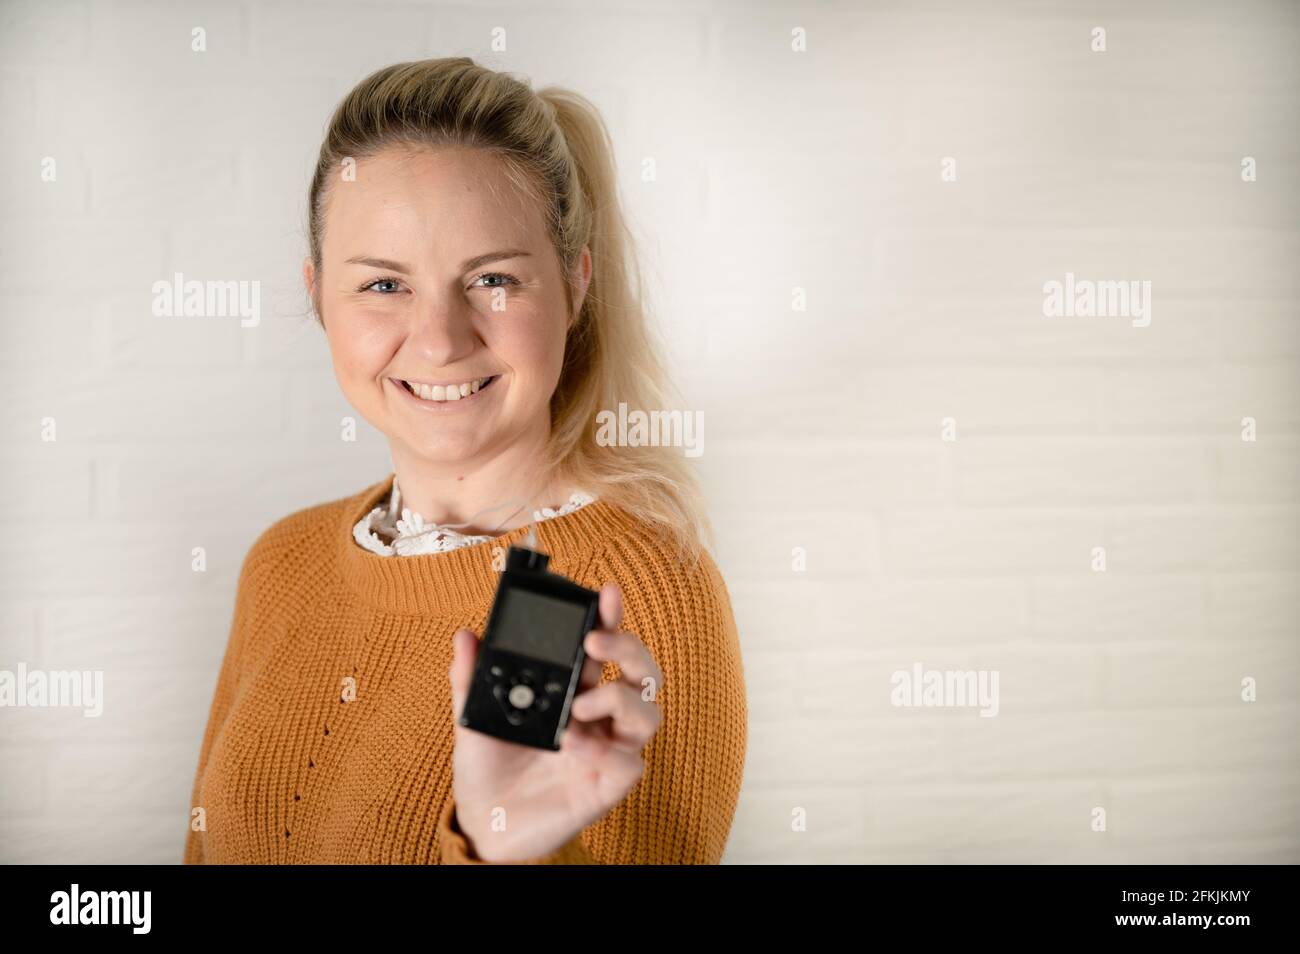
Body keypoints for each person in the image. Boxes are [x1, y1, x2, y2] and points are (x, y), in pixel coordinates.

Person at [182, 57, 747, 864]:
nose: (441, 339)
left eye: (492, 278)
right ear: (316, 295)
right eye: (383, 285)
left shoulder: (641, 596)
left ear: (576, 283)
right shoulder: (282, 565)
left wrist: (497, 848)